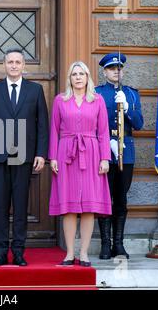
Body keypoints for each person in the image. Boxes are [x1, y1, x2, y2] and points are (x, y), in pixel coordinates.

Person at [0, 48, 49, 266]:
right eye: (10, 62)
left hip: (25, 157)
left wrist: (41, 153)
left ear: (23, 65)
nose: (14, 65)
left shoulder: (35, 90)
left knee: (20, 206)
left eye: (18, 62)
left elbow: (42, 125)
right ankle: (1, 252)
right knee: (0, 206)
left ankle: (18, 251)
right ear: (4, 64)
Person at [48, 61, 111, 267]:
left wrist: (104, 158)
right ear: (70, 78)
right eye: (74, 74)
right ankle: (69, 253)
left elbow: (103, 131)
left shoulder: (97, 100)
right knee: (69, 206)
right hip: (66, 153)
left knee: (88, 206)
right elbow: (54, 130)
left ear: (87, 77)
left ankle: (83, 253)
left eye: (81, 74)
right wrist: (53, 157)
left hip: (91, 153)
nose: (77, 77)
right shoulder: (60, 100)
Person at [96, 53, 144, 260]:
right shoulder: (97, 93)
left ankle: (119, 244)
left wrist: (126, 109)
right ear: (104, 71)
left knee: (121, 199)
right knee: (104, 198)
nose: (116, 71)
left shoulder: (132, 95)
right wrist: (106, 143)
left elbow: (139, 124)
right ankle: (105, 245)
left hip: (127, 151)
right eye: (111, 68)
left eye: (119, 68)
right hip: (104, 152)